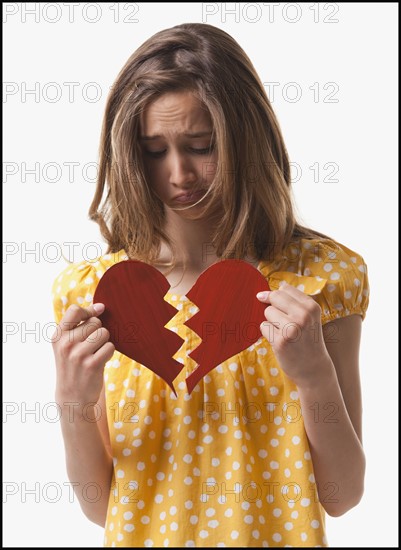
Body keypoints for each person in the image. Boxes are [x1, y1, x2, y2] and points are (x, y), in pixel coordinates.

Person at [51, 23, 369, 548]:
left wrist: (314, 378)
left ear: (247, 140)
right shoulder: (98, 293)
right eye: (154, 151)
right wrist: (72, 403)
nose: (179, 173)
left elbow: (343, 494)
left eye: (201, 146)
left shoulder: (323, 280)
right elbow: (102, 508)